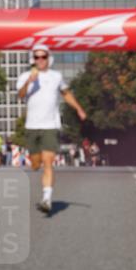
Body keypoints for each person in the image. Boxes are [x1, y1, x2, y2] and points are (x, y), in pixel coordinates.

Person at [16, 44, 86, 215]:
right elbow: (20, 95)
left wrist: (78, 108)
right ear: (32, 59)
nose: (40, 60)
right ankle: (36, 162)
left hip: (50, 125)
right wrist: (29, 82)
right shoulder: (25, 75)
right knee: (35, 164)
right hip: (32, 126)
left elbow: (66, 93)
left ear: (49, 58)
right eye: (37, 57)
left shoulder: (56, 76)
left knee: (48, 163)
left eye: (43, 57)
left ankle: (47, 199)